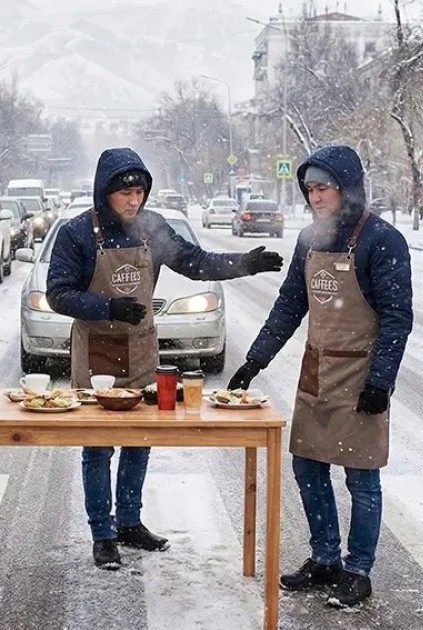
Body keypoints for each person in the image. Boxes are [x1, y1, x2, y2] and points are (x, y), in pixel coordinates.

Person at [46, 147, 284, 571]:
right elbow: (58, 294)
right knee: (98, 447)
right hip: (96, 351)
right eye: (124, 194)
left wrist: (244, 264)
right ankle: (103, 533)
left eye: (139, 192)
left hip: (140, 349)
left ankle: (130, 521)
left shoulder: (152, 229)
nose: (133, 201)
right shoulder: (77, 232)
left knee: (140, 439)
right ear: (105, 193)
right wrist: (107, 307)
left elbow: (195, 262)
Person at [228, 145, 413, 608]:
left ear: (346, 188)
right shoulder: (310, 239)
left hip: (361, 374)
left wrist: (381, 381)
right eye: (309, 189)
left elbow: (397, 316)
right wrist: (256, 359)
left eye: (323, 188)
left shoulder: (381, 240)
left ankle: (358, 569)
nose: (315, 197)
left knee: (361, 476)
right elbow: (291, 303)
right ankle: (325, 557)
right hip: (317, 369)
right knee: (307, 466)